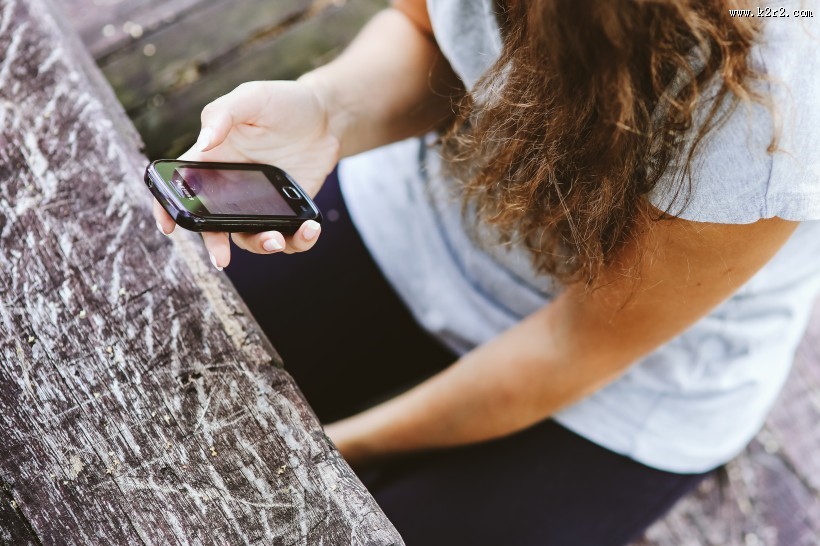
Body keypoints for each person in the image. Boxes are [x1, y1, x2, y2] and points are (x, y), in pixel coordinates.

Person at [152, 0, 820, 544]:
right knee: (154, 369)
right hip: (437, 210)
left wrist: (331, 447)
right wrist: (329, 109)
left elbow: (574, 347)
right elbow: (428, 32)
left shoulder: (777, 100)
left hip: (630, 379)